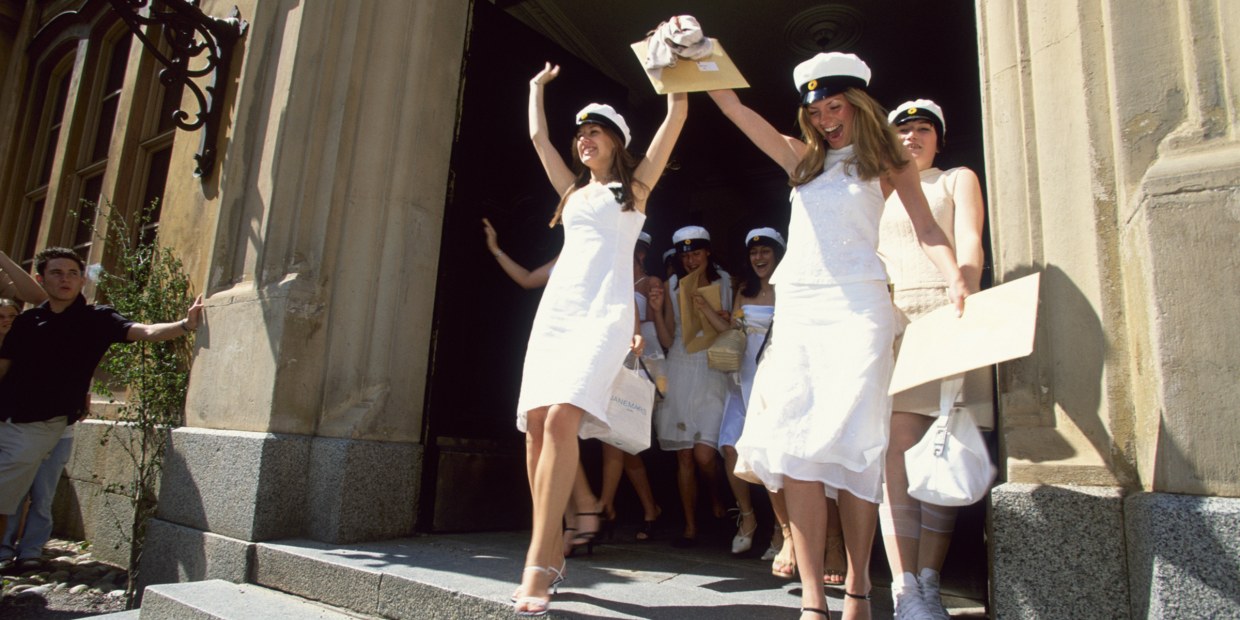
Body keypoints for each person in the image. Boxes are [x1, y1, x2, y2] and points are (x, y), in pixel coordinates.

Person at [708, 52, 969, 620]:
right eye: (817, 110)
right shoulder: (800, 158)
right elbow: (731, 104)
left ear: (858, 105)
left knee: (856, 448)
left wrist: (955, 280)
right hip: (801, 311)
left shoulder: (889, 161)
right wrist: (694, 50)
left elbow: (926, 227)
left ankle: (857, 587)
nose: (827, 119)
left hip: (861, 308)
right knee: (797, 450)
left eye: (837, 106)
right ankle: (811, 601)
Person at [513, 62, 686, 617]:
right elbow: (538, 137)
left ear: (616, 142)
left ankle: (539, 559)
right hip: (558, 313)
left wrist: (677, 72)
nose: (584, 139)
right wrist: (537, 88)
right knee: (537, 427)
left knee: (564, 416)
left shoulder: (634, 190)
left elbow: (676, 114)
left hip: (605, 315)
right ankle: (556, 541)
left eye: (595, 132)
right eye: (580, 134)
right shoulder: (570, 192)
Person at [0, 247, 204, 544]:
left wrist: (184, 325)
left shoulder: (96, 319)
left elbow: (145, 331)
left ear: (83, 280)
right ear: (41, 278)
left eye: (73, 273)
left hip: (37, 425)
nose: (65, 280)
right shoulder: (27, 321)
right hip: (3, 414)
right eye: (56, 273)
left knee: (3, 497)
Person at [877, 99, 991, 620]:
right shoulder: (877, 185)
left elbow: (969, 237)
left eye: (923, 130)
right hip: (889, 321)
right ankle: (904, 588)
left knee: (940, 448)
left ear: (939, 139)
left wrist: (963, 280)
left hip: (944, 314)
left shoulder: (956, 179)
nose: (912, 138)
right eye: (902, 131)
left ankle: (929, 583)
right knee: (896, 452)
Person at [483, 220, 661, 546]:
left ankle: (581, 513)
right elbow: (526, 279)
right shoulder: (564, 257)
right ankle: (568, 523)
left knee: (558, 424)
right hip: (555, 345)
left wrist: (635, 330)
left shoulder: (607, 250)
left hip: (588, 348)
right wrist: (495, 249)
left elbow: (622, 290)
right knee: (547, 428)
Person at [651, 225, 732, 548]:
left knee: (704, 456)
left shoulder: (725, 282)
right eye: (685, 254)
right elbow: (669, 338)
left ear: (707, 251)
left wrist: (722, 315)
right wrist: (657, 313)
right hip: (681, 366)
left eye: (696, 252)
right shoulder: (672, 285)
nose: (690, 259)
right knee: (684, 455)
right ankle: (690, 525)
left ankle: (716, 495)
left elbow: (734, 328)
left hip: (713, 367)